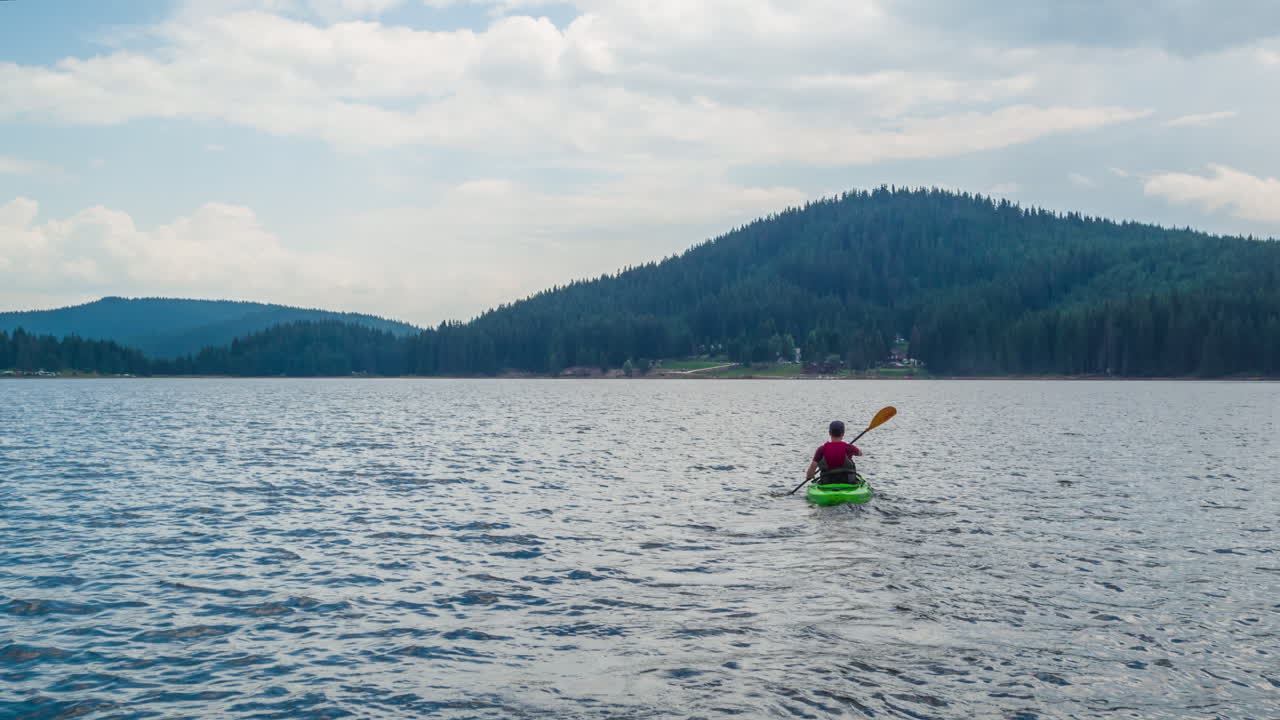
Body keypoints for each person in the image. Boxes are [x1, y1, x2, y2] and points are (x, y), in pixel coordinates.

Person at [805, 420, 862, 485]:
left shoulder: (821, 449)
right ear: (843, 433)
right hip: (848, 481)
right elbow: (860, 453)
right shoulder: (849, 447)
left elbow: (813, 466)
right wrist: (852, 449)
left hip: (827, 481)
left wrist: (809, 476)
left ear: (829, 433)